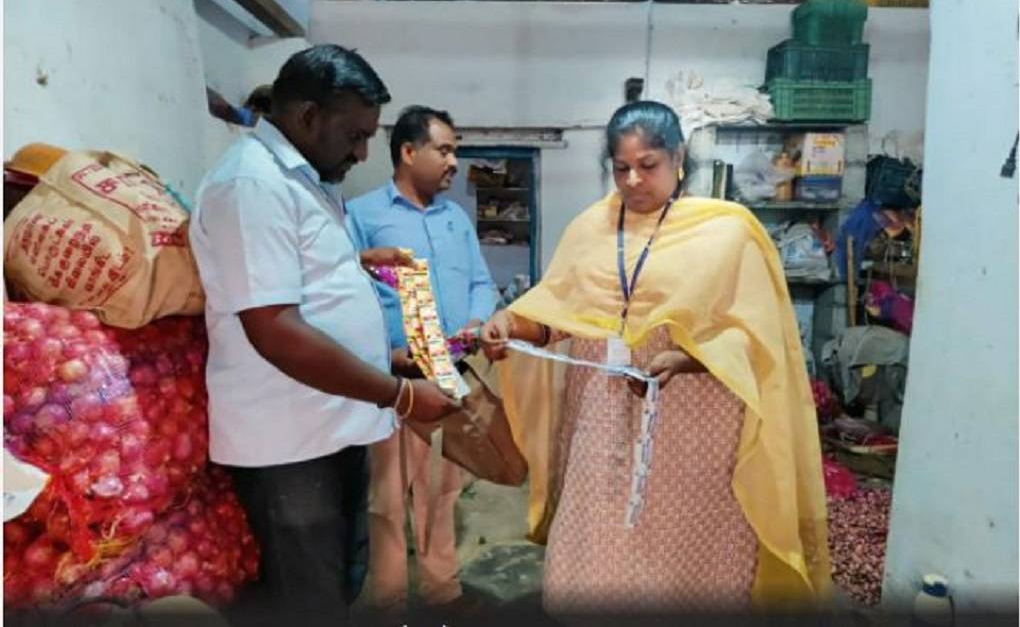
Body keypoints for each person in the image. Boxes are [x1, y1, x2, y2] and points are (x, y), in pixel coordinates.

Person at [480, 101, 831, 615]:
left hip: (694, 420)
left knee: (686, 537)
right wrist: (511, 324)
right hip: (602, 416)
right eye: (621, 168)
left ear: (678, 158)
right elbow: (560, 316)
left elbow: (759, 338)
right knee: (598, 530)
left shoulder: (727, 231)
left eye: (648, 165)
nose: (633, 180)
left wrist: (687, 359)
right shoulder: (589, 229)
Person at [189, 45, 459, 626]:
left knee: (339, 582)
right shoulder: (251, 186)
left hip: (331, 427)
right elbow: (275, 330)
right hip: (289, 444)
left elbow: (299, 281)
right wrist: (401, 395)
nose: (362, 153)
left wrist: (359, 271)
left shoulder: (307, 179)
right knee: (308, 599)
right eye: (355, 136)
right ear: (309, 117)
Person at [346, 106, 498, 615]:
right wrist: (387, 357)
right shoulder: (362, 217)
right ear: (408, 152)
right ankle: (389, 605)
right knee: (388, 500)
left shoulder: (456, 219)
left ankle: (443, 592)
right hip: (392, 379)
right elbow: (343, 296)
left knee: (442, 489)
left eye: (455, 150)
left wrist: (477, 322)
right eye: (445, 149)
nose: (454, 161)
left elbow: (480, 282)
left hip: (450, 372)